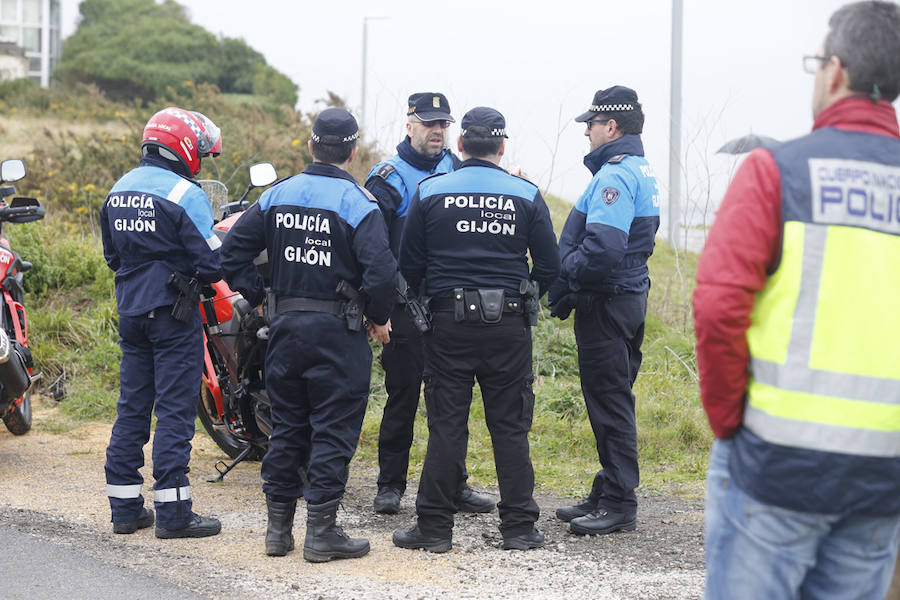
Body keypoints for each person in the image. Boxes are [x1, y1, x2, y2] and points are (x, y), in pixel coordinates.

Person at [694, 2, 900, 598]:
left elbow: (718, 306)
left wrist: (729, 419)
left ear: (834, 70)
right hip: (883, 475)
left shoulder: (775, 172)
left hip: (774, 467)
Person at [220, 108, 396, 563]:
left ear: (312, 146)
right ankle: (322, 534)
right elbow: (381, 273)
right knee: (333, 430)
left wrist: (259, 296)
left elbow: (231, 252)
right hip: (339, 334)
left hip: (284, 333)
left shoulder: (277, 195)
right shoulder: (359, 203)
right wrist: (378, 317)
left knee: (288, 429)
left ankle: (277, 534)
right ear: (353, 151)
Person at [392, 107, 560, 552]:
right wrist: (525, 299)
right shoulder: (525, 193)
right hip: (508, 326)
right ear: (502, 148)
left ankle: (433, 529)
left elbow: (409, 266)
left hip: (448, 324)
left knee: (448, 426)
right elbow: (550, 265)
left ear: (461, 145)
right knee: (509, 427)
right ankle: (520, 528)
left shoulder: (431, 191)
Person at [365, 92, 493, 516]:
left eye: (444, 125)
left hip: (445, 307)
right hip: (403, 307)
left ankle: (453, 484)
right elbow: (372, 251)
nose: (438, 132)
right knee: (401, 397)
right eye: (430, 124)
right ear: (409, 125)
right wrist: (377, 311)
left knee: (450, 403)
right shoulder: (387, 178)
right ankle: (390, 485)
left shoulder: (454, 168)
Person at [101, 107, 224, 539]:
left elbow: (112, 257)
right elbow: (212, 263)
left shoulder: (117, 190)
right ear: (186, 147)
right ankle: (174, 514)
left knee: (132, 408)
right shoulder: (184, 194)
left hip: (131, 314)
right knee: (174, 410)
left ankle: (125, 509)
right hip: (173, 316)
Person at [548, 86, 660, 535]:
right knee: (614, 394)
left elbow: (603, 251)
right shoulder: (640, 168)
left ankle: (618, 502)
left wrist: (567, 277)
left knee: (609, 400)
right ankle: (608, 484)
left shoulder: (614, 175)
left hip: (607, 301)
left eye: (591, 125)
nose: (587, 134)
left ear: (611, 127)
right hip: (628, 297)